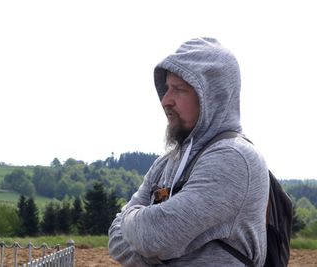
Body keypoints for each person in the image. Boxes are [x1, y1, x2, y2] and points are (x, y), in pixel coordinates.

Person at [108, 37, 270, 266]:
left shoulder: (234, 158)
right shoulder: (165, 163)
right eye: (166, 89)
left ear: (212, 96)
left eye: (179, 90)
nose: (165, 100)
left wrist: (135, 224)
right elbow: (115, 239)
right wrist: (152, 238)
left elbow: (156, 237)